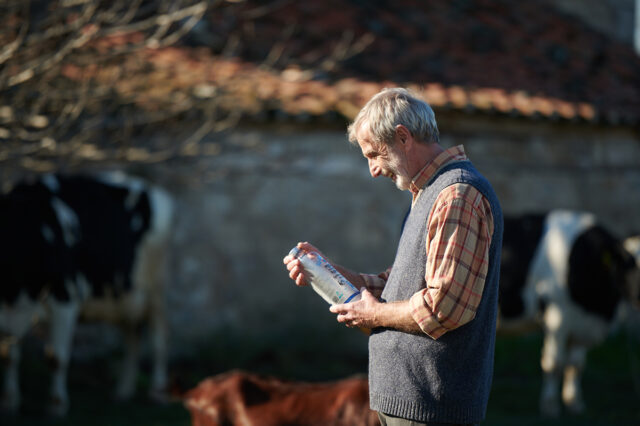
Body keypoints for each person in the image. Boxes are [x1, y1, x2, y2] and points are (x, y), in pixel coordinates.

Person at [283, 87, 503, 426]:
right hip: (412, 403)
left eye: (374, 154)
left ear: (403, 137)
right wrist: (328, 272)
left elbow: (445, 307)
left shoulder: (457, 195)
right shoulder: (429, 192)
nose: (373, 170)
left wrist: (374, 314)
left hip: (431, 407)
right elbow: (400, 284)